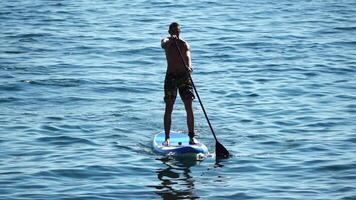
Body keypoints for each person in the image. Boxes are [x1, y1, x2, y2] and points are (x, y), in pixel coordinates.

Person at [161, 22, 197, 146]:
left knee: (189, 106)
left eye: (177, 31)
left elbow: (188, 56)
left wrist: (190, 67)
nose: (176, 33)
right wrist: (172, 40)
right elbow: (163, 44)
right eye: (173, 31)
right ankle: (167, 138)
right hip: (171, 77)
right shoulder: (166, 41)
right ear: (170, 32)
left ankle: (191, 137)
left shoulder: (184, 44)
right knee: (169, 107)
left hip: (183, 77)